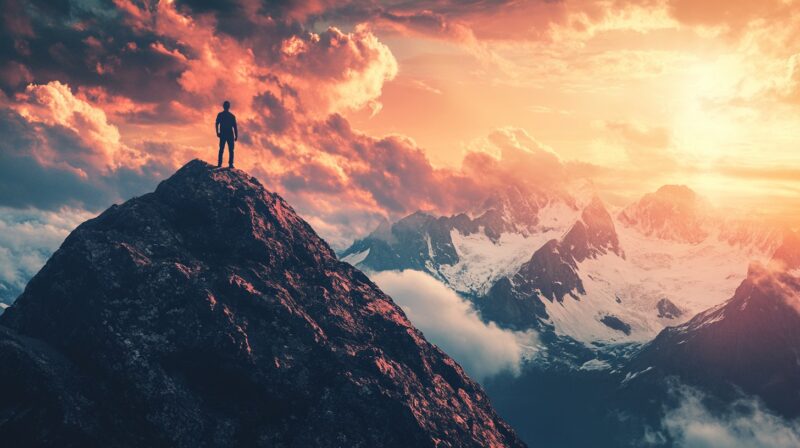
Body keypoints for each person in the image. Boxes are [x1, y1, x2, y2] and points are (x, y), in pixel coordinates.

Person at [215, 101, 238, 168]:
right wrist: (217, 132)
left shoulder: (230, 116)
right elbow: (217, 123)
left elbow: (235, 126)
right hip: (226, 134)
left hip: (227, 134)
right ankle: (223, 163)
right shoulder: (229, 116)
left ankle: (227, 163)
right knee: (225, 149)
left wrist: (236, 135)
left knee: (227, 149)